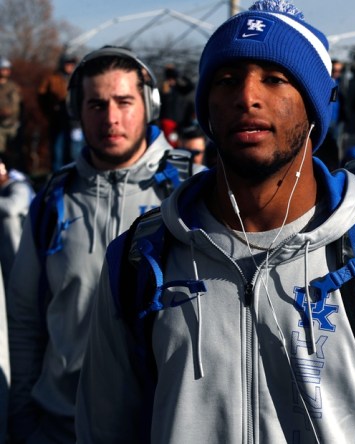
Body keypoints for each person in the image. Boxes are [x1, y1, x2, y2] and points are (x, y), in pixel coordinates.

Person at [75, 3, 355, 443]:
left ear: (315, 107)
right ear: (207, 107)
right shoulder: (140, 260)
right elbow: (103, 429)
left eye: (275, 78)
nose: (247, 96)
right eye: (227, 80)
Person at [7, 46, 192, 443]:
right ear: (77, 110)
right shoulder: (51, 202)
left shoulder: (192, 195)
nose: (110, 118)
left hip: (160, 427)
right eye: (96, 104)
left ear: (149, 105)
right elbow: (25, 321)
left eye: (124, 102)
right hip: (60, 426)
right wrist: (22, 417)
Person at [38, 53, 79, 172]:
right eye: (67, 63)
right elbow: (41, 97)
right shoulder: (52, 79)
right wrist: (50, 112)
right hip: (57, 121)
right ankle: (57, 178)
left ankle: (73, 176)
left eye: (72, 64)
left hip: (74, 123)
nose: (70, 66)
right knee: (57, 151)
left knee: (74, 151)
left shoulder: (78, 78)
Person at [0, 156, 33, 287]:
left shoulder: (19, 186)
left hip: (22, 257)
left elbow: (11, 208)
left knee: (9, 220)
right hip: (5, 264)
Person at [0, 57, 21, 171]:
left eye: (7, 69)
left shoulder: (13, 86)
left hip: (13, 124)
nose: (5, 71)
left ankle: (15, 173)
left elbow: (17, 105)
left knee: (14, 152)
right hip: (0, 125)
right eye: (3, 69)